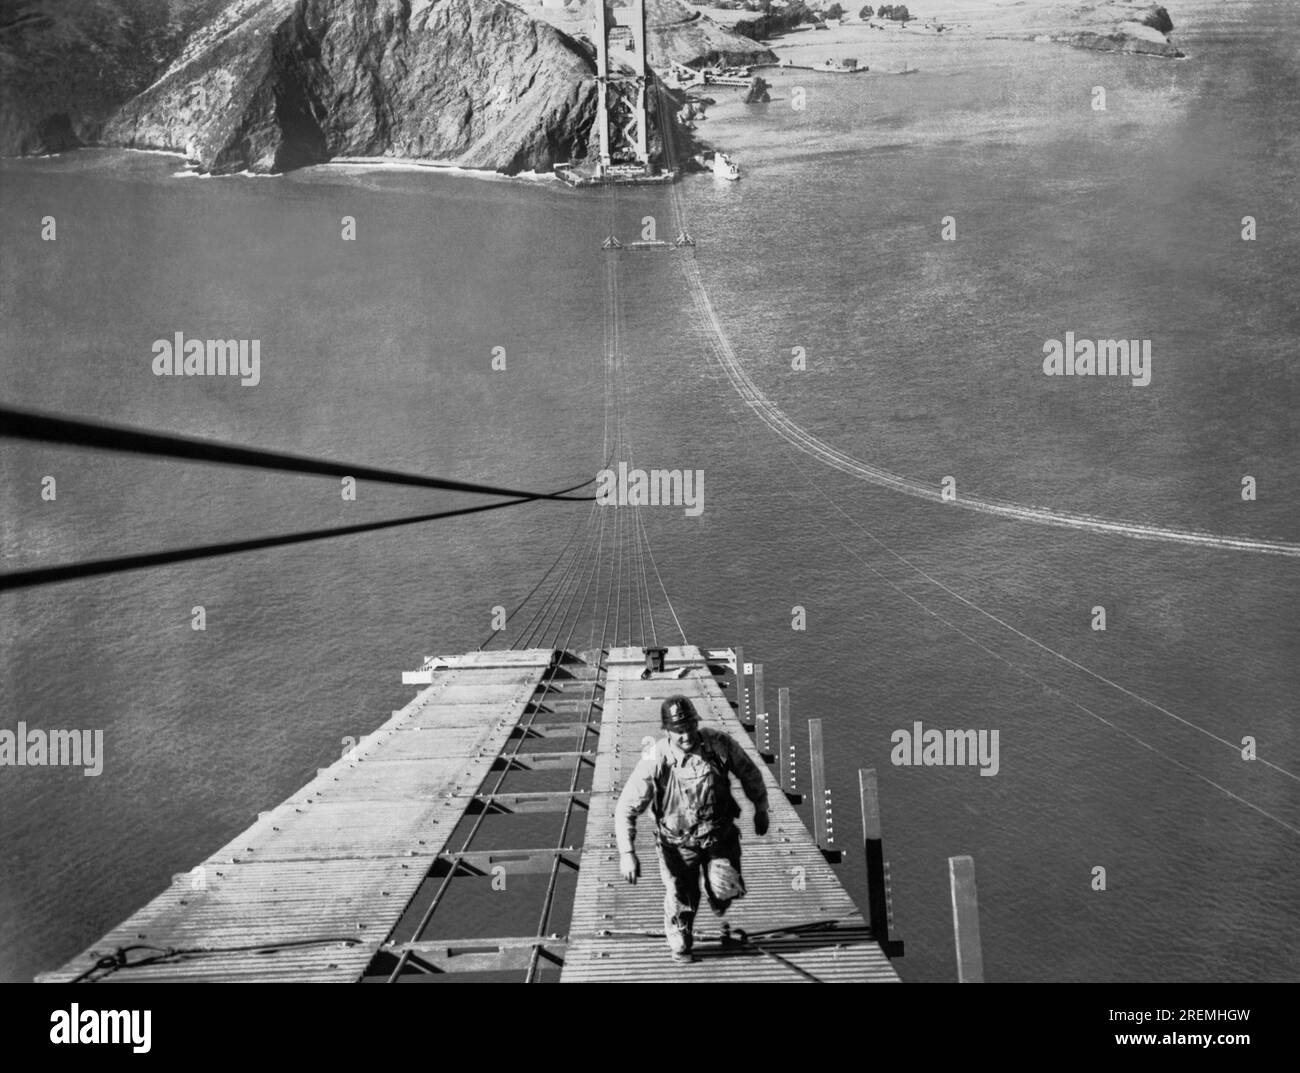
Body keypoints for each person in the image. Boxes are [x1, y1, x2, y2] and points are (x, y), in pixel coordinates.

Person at [615, 694, 770, 962]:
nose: (686, 735)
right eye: (678, 731)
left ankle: (716, 893)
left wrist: (761, 807)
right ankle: (680, 936)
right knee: (682, 897)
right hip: (678, 845)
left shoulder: (718, 744)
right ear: (666, 731)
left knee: (724, 892)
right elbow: (626, 807)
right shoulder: (656, 758)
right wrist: (627, 852)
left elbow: (749, 772)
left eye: (689, 727)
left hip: (718, 836)